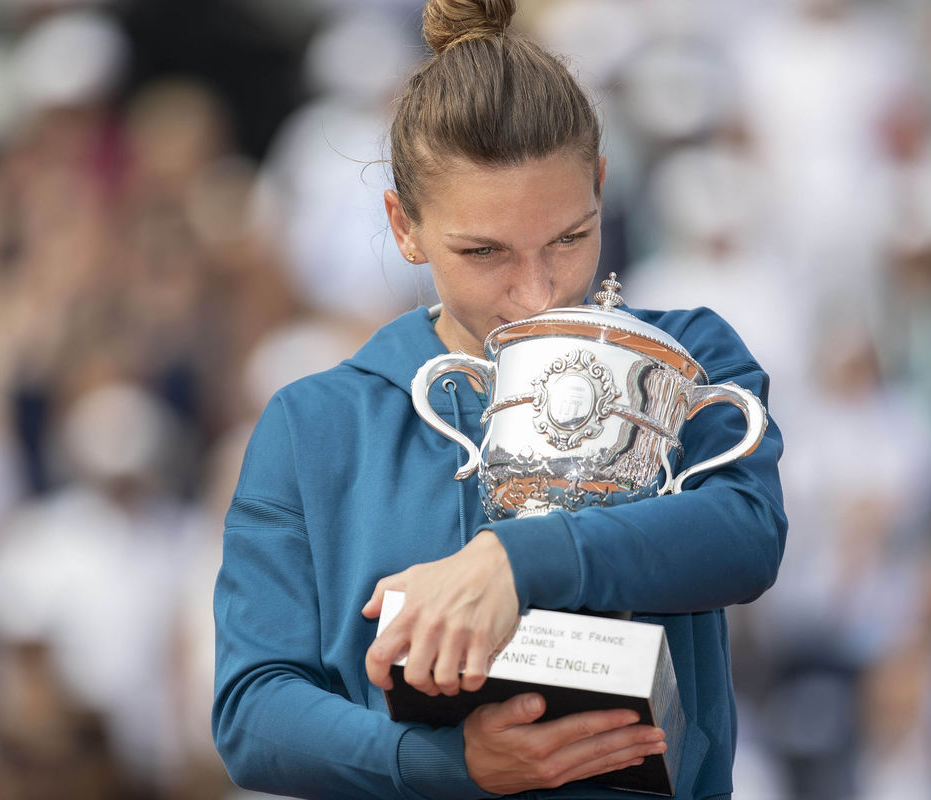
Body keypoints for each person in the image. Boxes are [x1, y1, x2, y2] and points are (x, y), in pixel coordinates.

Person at [212, 1, 786, 798]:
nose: (536, 293)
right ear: (403, 227)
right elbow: (251, 712)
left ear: (603, 189)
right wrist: (450, 766)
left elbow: (747, 534)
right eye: (484, 253)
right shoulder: (315, 425)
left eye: (569, 238)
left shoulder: (690, 355)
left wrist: (513, 563)